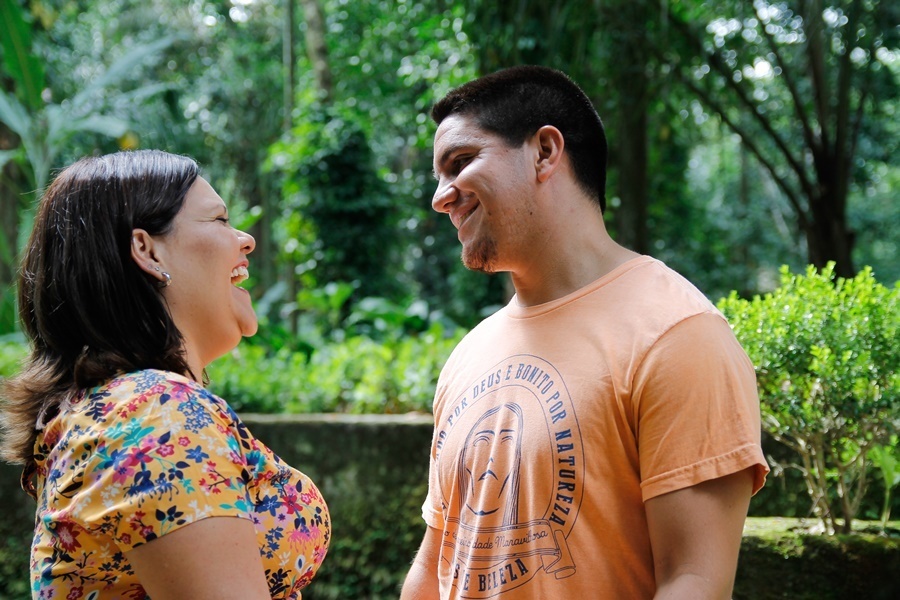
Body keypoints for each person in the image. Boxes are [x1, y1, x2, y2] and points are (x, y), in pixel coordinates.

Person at [400, 65, 769, 600]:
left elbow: (693, 581)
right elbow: (438, 564)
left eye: (460, 163)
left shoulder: (678, 334)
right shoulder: (469, 354)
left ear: (546, 152)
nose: (440, 196)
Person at [0, 150, 330, 599]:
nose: (246, 239)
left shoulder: (112, 410)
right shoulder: (156, 412)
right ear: (146, 249)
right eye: (218, 220)